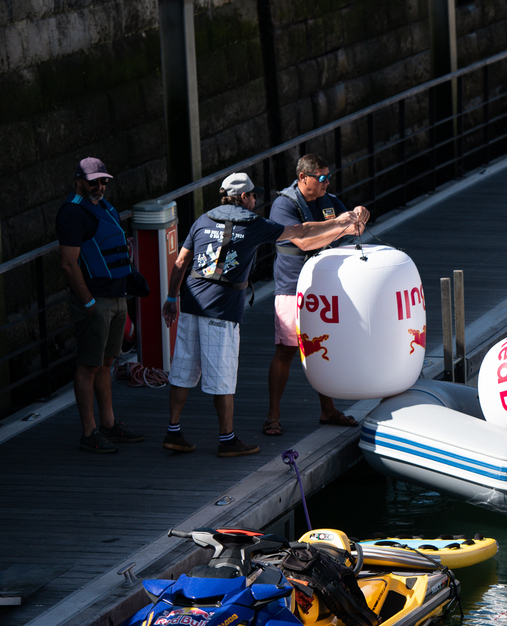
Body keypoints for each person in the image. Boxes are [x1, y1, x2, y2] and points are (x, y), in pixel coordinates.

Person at [161, 172, 364, 457]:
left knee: (182, 372)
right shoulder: (254, 224)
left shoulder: (203, 219)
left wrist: (171, 298)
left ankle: (173, 432)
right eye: (253, 195)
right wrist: (340, 222)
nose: (256, 200)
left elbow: (181, 262)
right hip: (222, 307)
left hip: (191, 302)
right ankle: (227, 440)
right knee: (223, 378)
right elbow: (302, 231)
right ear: (244, 197)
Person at [264, 154, 371, 436]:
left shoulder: (330, 200)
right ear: (303, 178)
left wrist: (359, 215)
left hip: (325, 288)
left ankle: (328, 409)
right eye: (321, 177)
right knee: (286, 351)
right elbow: (304, 240)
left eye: (328, 177)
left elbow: (354, 227)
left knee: (325, 349)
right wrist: (340, 226)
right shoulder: (283, 206)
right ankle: (273, 414)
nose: (326, 182)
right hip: (292, 288)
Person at [56, 157, 145, 454]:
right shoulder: (72, 213)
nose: (100, 186)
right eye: (94, 181)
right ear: (78, 180)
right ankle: (89, 432)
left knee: (107, 363)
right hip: (96, 302)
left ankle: (108, 424)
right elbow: (69, 264)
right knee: (88, 366)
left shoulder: (106, 207)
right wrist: (89, 302)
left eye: (104, 180)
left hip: (117, 297)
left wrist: (130, 279)